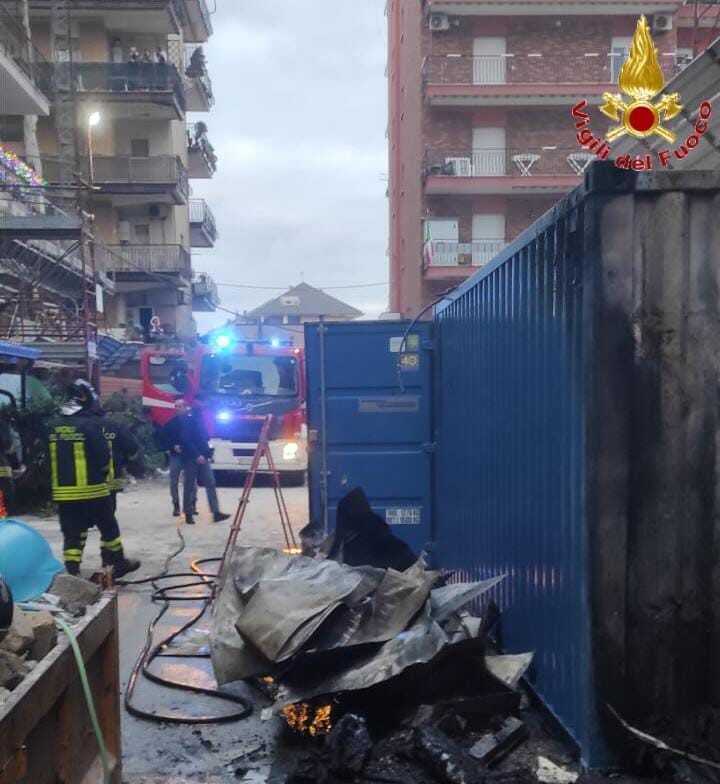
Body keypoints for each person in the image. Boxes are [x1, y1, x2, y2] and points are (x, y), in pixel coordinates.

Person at [49, 380, 140, 578]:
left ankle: (72, 571)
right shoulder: (90, 426)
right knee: (108, 527)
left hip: (64, 493)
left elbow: (45, 459)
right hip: (93, 490)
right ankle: (117, 562)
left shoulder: (54, 427)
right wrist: (104, 474)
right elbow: (102, 455)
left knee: (72, 531)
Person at [158, 397, 229, 526]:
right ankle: (187, 512)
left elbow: (203, 438)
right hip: (190, 457)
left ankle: (215, 512)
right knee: (188, 484)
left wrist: (206, 454)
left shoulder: (196, 420)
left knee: (210, 482)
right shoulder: (181, 422)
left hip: (202, 456)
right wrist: (196, 455)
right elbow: (186, 440)